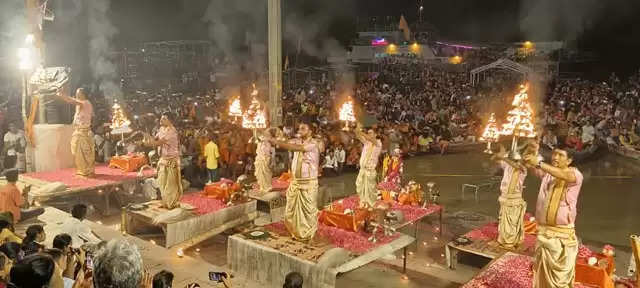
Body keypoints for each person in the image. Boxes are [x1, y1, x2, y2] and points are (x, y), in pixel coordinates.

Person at [524, 147, 583, 288]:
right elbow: (535, 168)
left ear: (569, 160)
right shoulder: (548, 174)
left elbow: (565, 176)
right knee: (542, 271)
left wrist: (539, 162)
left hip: (561, 234)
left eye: (560, 155)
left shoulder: (575, 174)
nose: (555, 157)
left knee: (559, 277)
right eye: (554, 154)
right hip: (545, 231)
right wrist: (529, 156)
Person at [268, 123, 320, 242]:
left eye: (303, 128)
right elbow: (288, 141)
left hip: (308, 184)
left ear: (311, 131)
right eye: (299, 128)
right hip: (296, 183)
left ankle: (306, 235)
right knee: (291, 211)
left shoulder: (313, 143)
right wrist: (277, 134)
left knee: (307, 212)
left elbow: (295, 148)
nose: (300, 130)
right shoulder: (298, 141)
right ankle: (296, 232)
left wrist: (276, 142)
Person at [143, 113, 183, 209]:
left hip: (171, 160)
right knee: (162, 183)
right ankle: (165, 202)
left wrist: (147, 139)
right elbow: (154, 140)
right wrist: (146, 139)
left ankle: (172, 204)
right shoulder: (161, 129)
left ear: (170, 121)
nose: (161, 120)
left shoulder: (172, 132)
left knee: (171, 184)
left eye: (164, 119)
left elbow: (157, 143)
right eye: (161, 118)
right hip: (163, 159)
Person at [491, 145, 527, 249]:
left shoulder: (522, 168)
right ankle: (503, 240)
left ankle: (510, 242)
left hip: (514, 198)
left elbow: (516, 166)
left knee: (512, 222)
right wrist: (497, 153)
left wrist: (502, 157)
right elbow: (494, 159)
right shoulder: (507, 165)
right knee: (503, 220)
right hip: (505, 196)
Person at [57, 88, 95, 177]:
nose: (76, 95)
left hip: (83, 132)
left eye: (78, 93)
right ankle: (82, 170)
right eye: (76, 93)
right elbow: (73, 102)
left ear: (83, 94)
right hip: (78, 132)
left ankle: (86, 171)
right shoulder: (79, 105)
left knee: (83, 153)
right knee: (76, 152)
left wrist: (63, 95)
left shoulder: (86, 103)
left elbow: (72, 101)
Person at [354, 123, 382, 208]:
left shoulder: (378, 143)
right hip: (362, 170)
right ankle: (363, 202)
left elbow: (368, 138)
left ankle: (371, 205)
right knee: (359, 187)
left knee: (370, 191)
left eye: (371, 133)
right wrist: (356, 128)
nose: (369, 135)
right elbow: (358, 136)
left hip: (370, 171)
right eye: (368, 133)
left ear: (375, 135)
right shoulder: (367, 143)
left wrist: (361, 132)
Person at [254, 129, 276, 194]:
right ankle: (262, 186)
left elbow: (273, 152)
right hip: (259, 159)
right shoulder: (260, 141)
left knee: (266, 173)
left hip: (266, 159)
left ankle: (267, 187)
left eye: (268, 134)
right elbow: (256, 136)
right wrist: (255, 130)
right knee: (260, 173)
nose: (265, 135)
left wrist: (272, 160)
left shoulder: (269, 142)